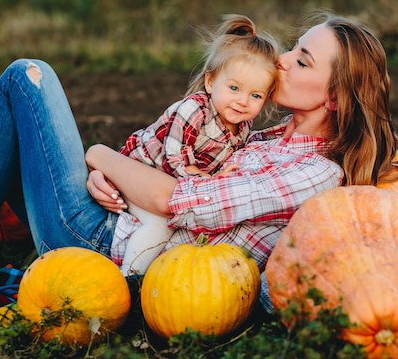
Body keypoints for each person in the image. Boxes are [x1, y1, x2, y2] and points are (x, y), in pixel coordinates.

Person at [0, 11, 398, 285]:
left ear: (338, 98)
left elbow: (177, 202)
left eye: (302, 60)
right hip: (108, 216)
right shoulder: (267, 138)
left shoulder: (314, 172)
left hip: (100, 248)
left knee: (26, 76)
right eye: (294, 48)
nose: (281, 60)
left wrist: (101, 156)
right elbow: (166, 174)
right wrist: (107, 176)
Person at [118, 14, 279, 275]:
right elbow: (174, 158)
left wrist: (221, 177)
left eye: (255, 95)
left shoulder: (243, 127)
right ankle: (128, 279)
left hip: (167, 187)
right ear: (210, 81)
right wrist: (205, 180)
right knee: (160, 225)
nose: (242, 101)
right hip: (138, 172)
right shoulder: (195, 110)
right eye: (234, 88)